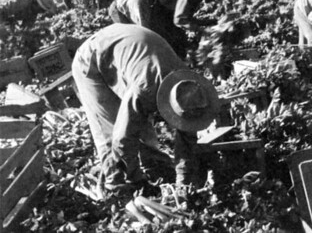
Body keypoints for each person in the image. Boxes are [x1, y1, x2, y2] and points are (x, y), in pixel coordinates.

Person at [72, 23, 220, 193]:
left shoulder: (189, 87)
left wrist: (183, 182)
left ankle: (153, 168)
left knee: (139, 124)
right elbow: (122, 139)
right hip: (92, 59)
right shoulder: (145, 91)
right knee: (110, 130)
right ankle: (117, 189)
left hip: (129, 51)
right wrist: (137, 181)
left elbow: (187, 137)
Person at [145, 0, 226, 58]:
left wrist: (209, 22)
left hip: (164, 5)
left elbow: (187, 19)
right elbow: (179, 20)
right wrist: (202, 30)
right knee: (166, 41)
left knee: (179, 40)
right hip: (153, 2)